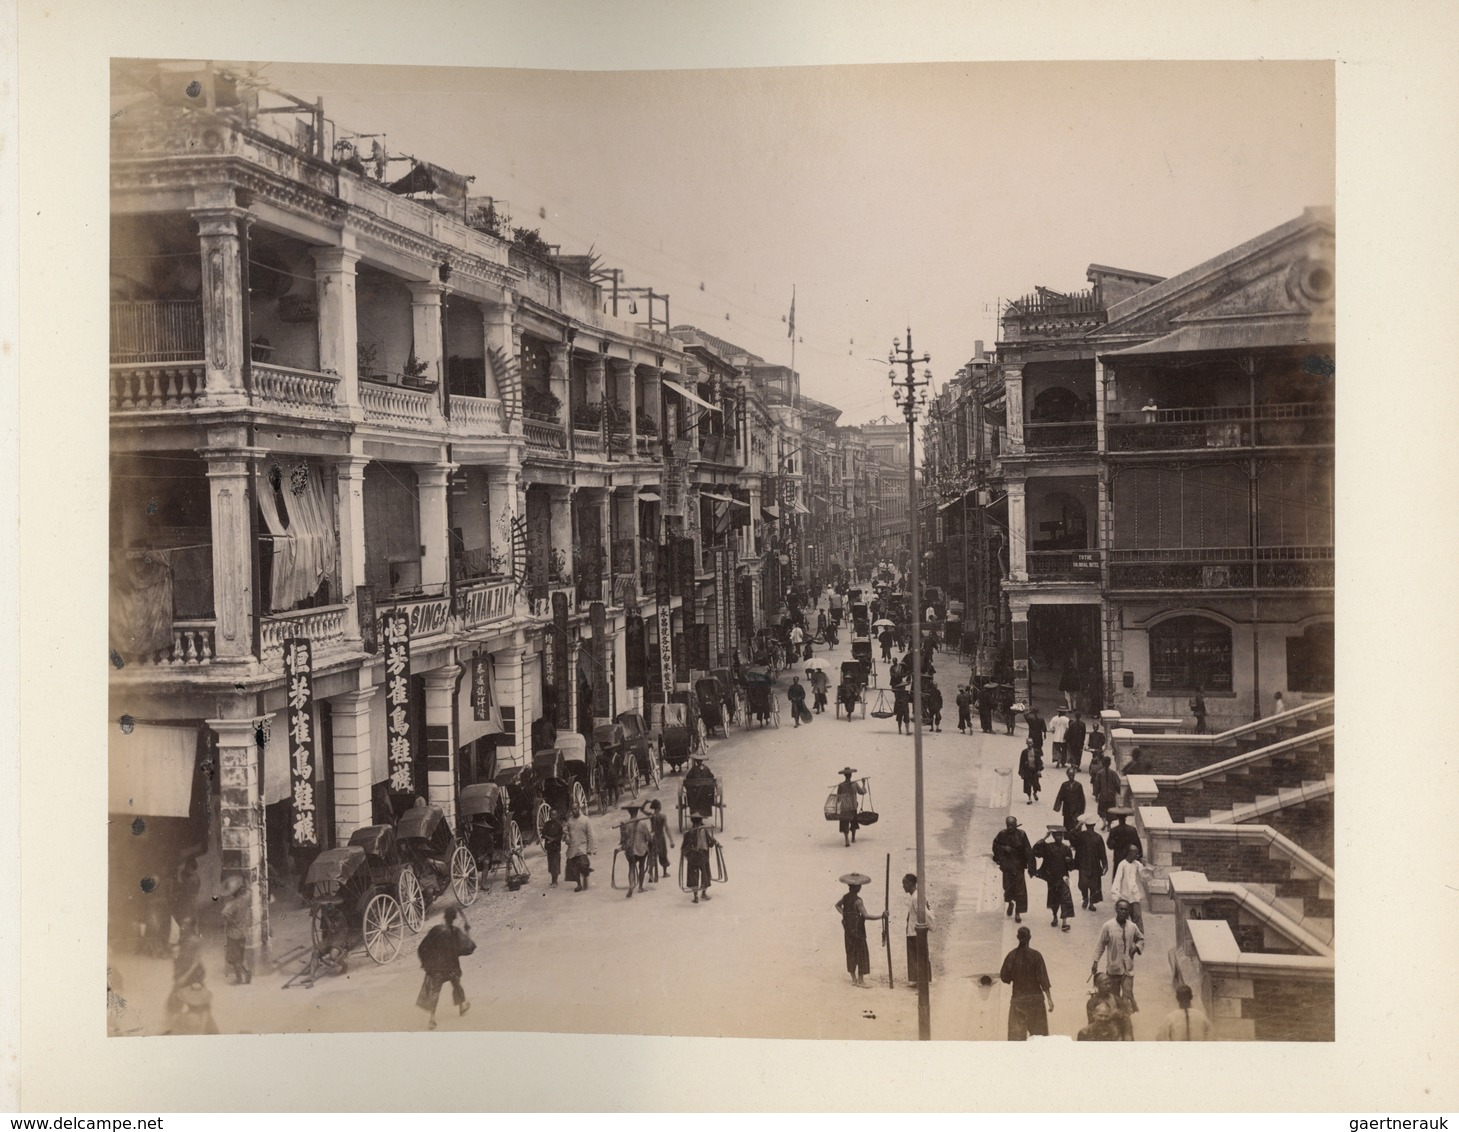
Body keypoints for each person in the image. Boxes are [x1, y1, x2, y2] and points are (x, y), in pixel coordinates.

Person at [416, 906, 474, 1030]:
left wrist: (427, 963)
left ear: (444, 917)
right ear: (454, 918)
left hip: (437, 968)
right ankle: (462, 1007)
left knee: (435, 991)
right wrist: (467, 931)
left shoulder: (436, 930)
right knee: (457, 985)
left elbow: (422, 947)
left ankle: (432, 1019)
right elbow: (468, 948)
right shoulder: (455, 932)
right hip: (451, 968)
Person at [999, 925, 1054, 1040]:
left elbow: (1004, 977)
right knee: (1039, 1039)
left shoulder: (1011, 956)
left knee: (1017, 1041)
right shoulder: (1036, 955)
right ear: (1030, 938)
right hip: (1036, 1001)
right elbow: (1043, 979)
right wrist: (1049, 999)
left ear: (1017, 937)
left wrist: (1014, 977)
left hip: (1018, 1001)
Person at [1091, 898, 1144, 1016]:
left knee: (1127, 995)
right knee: (1114, 997)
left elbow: (1141, 939)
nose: (1123, 912)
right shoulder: (1108, 926)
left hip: (1128, 970)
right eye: (1121, 909)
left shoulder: (1133, 927)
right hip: (1113, 969)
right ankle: (1115, 1018)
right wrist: (1095, 961)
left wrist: (1136, 948)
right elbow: (1101, 944)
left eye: (1126, 909)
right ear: (1116, 910)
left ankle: (1125, 1019)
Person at [163, 935, 219, 1035]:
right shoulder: (181, 959)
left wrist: (194, 967)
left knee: (203, 1011)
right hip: (183, 988)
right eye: (173, 952)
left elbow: (188, 980)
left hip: (192, 989)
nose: (174, 954)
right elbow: (179, 980)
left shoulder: (195, 963)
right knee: (172, 1007)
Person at [834, 875, 877, 988]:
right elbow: (866, 916)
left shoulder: (846, 897)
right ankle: (861, 980)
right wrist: (881, 916)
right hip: (858, 930)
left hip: (848, 929)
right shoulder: (858, 901)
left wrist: (845, 914)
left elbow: (837, 905)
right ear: (858, 888)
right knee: (861, 952)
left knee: (850, 952)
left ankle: (853, 979)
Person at [1033, 825, 1076, 931]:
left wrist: (1069, 861)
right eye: (1056, 835)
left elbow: (1071, 867)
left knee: (1066, 899)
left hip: (1063, 878)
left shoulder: (1066, 849)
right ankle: (1055, 916)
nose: (1059, 837)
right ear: (1053, 836)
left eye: (1060, 835)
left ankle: (1065, 922)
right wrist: (1044, 838)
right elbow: (1035, 851)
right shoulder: (1048, 847)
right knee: (1054, 899)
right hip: (1052, 878)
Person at [992, 815, 1033, 922]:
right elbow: (995, 846)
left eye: (1012, 825)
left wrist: (1031, 866)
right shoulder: (1002, 834)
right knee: (1008, 887)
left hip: (1019, 865)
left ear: (1016, 824)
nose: (1010, 827)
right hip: (1007, 866)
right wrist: (1004, 848)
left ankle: (1018, 913)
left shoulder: (1022, 834)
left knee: (1020, 890)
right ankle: (1010, 902)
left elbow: (1028, 850)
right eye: (1008, 825)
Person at [901, 873, 935, 987]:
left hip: (916, 932)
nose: (903, 886)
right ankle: (918, 980)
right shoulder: (914, 896)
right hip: (912, 931)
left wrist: (931, 926)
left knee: (919, 956)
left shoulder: (916, 897)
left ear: (910, 884)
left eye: (904, 884)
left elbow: (925, 913)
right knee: (915, 956)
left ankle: (923, 980)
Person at [1110, 845, 1152, 930]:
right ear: (1129, 853)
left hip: (1135, 897)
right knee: (1123, 919)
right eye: (1135, 853)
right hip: (1124, 897)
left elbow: (1144, 877)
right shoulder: (1122, 865)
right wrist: (1116, 896)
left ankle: (1139, 939)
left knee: (1137, 918)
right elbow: (1117, 880)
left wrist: (1145, 866)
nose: (1137, 855)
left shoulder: (1137, 864)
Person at [220, 877, 252, 985]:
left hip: (233, 934)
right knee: (241, 957)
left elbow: (225, 914)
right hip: (243, 932)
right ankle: (247, 974)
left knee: (234, 959)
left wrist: (231, 922)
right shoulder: (246, 898)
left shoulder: (232, 904)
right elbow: (249, 890)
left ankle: (239, 979)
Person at [1086, 971, 1134, 1041]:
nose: (1108, 986)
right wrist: (1111, 1016)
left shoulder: (1116, 999)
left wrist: (1128, 1033)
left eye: (1109, 984)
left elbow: (1127, 1019)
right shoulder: (1092, 1002)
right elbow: (1092, 1022)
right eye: (1105, 984)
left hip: (1116, 1033)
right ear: (1098, 985)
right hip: (1100, 1034)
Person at [1073, 817, 1109, 911]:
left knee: (1091, 885)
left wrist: (1105, 864)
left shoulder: (1095, 837)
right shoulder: (1083, 836)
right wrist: (1105, 864)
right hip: (1087, 864)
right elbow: (1102, 853)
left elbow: (1102, 852)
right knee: (1085, 884)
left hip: (1092, 865)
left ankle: (1091, 902)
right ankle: (1086, 899)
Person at [682, 813, 718, 903]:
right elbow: (710, 843)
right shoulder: (704, 831)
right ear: (701, 821)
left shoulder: (688, 833)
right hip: (703, 857)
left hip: (693, 858)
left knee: (693, 876)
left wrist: (688, 855)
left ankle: (695, 897)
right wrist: (715, 843)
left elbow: (683, 848)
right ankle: (704, 893)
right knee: (705, 874)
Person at [619, 804, 652, 898]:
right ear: (637, 812)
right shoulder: (643, 824)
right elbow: (648, 838)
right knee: (641, 867)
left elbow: (623, 840)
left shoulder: (625, 824)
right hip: (642, 849)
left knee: (631, 867)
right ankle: (641, 887)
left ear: (629, 812)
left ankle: (631, 884)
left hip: (630, 850)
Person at [565, 802, 596, 892]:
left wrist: (590, 848)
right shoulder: (570, 820)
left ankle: (585, 875)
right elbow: (565, 829)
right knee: (573, 866)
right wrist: (566, 836)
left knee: (583, 864)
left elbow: (590, 835)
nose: (574, 811)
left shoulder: (585, 820)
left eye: (575, 809)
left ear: (579, 808)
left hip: (582, 846)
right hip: (573, 846)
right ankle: (578, 884)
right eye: (572, 809)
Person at [172, 856, 201, 943]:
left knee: (186, 921)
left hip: (189, 902)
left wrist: (178, 874)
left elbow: (184, 889)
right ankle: (194, 940)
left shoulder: (191, 878)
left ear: (190, 867)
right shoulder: (196, 876)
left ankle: (186, 942)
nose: (185, 868)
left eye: (187, 866)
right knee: (194, 922)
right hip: (194, 901)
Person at [835, 767, 866, 847]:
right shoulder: (855, 784)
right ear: (851, 775)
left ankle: (846, 840)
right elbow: (862, 792)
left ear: (845, 775)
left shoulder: (841, 785)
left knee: (845, 823)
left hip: (844, 808)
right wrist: (863, 783)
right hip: (853, 807)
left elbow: (838, 798)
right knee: (854, 822)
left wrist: (837, 808)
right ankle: (853, 838)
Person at [1053, 766, 1087, 833]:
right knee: (1067, 825)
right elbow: (1060, 796)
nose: (1071, 777)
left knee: (1076, 825)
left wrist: (1082, 811)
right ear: (1067, 775)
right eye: (1069, 775)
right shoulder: (1064, 785)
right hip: (1067, 808)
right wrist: (1057, 806)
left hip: (1076, 809)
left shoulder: (1078, 785)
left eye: (1072, 775)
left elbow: (1082, 799)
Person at [646, 799, 673, 881]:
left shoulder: (651, 815)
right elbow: (667, 828)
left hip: (653, 837)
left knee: (652, 856)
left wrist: (645, 803)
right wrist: (671, 840)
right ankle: (665, 873)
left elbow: (641, 809)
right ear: (658, 807)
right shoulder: (662, 816)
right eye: (660, 805)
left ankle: (651, 874)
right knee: (663, 854)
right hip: (660, 837)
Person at [1090, 757, 1120, 831]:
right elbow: (1117, 784)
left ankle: (1104, 822)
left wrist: (1096, 795)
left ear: (1103, 763)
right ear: (1109, 764)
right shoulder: (1113, 773)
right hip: (1111, 796)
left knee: (1101, 811)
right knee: (1110, 811)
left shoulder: (1100, 773)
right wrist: (1118, 792)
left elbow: (1096, 785)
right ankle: (1109, 825)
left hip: (1103, 796)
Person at [540, 808, 565, 887]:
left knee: (555, 864)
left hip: (556, 847)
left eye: (554, 814)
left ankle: (555, 881)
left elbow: (559, 837)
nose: (553, 816)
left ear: (557, 815)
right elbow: (543, 834)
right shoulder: (547, 824)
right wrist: (548, 838)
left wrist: (553, 840)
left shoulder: (559, 826)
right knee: (550, 864)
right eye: (551, 814)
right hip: (549, 847)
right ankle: (552, 879)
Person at [1018, 739, 1043, 805]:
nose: (1030, 745)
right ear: (1026, 743)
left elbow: (1039, 761)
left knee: (1035, 783)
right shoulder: (1024, 752)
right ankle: (1029, 798)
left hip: (1035, 770)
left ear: (1033, 743)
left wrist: (1039, 770)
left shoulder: (1036, 751)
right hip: (1027, 770)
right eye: (1028, 743)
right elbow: (1021, 762)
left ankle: (1035, 793)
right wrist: (1021, 772)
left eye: (1031, 743)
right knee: (1028, 784)